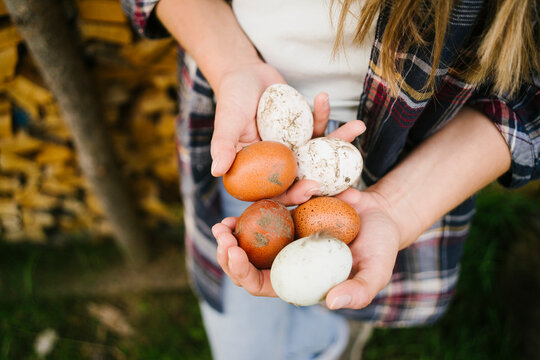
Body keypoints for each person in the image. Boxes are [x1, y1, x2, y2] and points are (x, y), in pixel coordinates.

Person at [121, 0, 540, 358]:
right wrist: (232, 65)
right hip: (243, 124)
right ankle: (317, 337)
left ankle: (329, 337)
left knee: (342, 284)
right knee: (245, 337)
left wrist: (396, 208)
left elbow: (529, 104)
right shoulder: (255, 151)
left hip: (409, 158)